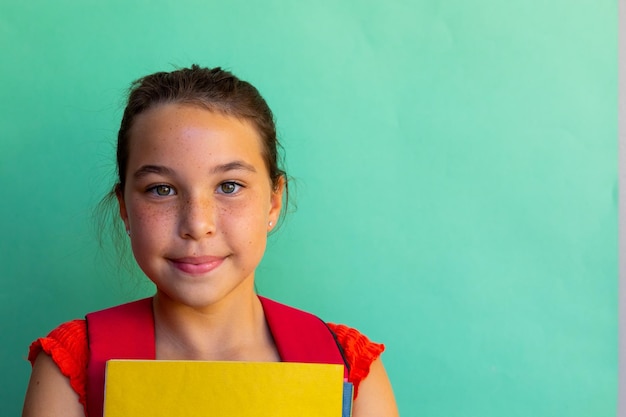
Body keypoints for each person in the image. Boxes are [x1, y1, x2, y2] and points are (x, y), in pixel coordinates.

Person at [22, 65, 399, 417]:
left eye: (229, 186)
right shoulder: (72, 366)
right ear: (125, 208)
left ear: (273, 201)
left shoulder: (349, 367)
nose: (197, 224)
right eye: (161, 189)